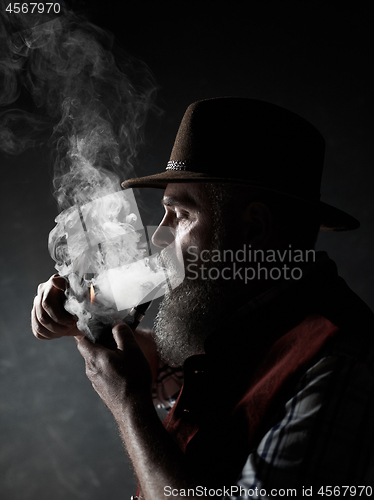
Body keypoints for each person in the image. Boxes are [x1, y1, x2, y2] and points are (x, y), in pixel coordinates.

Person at [31, 98, 374, 499]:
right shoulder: (245, 322)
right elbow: (159, 372)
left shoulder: (338, 365)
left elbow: (142, 389)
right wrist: (85, 316)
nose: (160, 236)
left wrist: (129, 408)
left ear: (253, 228)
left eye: (180, 214)